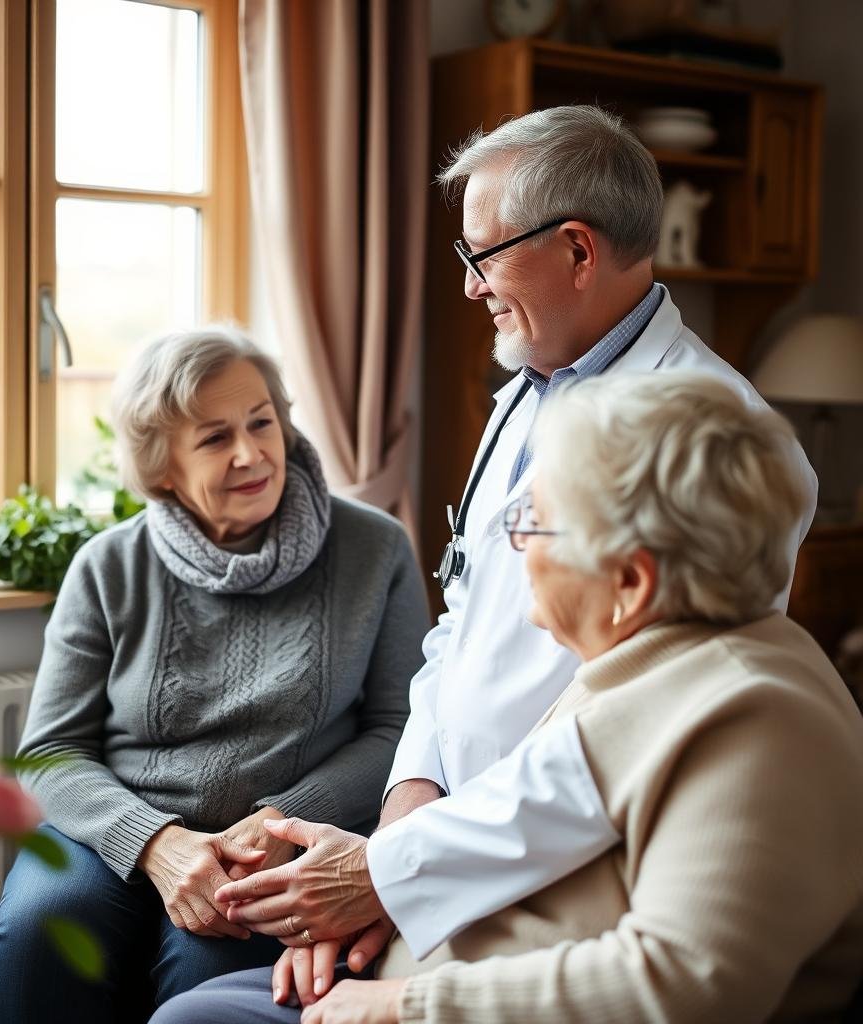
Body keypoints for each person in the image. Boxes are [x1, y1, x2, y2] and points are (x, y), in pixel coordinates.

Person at [158, 104, 820, 1000]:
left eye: (483, 254)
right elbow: (459, 625)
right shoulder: (526, 390)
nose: (469, 285)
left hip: (546, 885)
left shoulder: (724, 437)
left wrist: (394, 879)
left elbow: (639, 733)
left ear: (577, 251)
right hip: (438, 853)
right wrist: (403, 823)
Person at [154, 372, 863, 1023]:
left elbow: (681, 982)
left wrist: (406, 1003)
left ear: (630, 583)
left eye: (535, 524)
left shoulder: (760, 722)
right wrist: (379, 885)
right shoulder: (645, 667)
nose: (514, 548)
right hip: (429, 960)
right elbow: (515, 818)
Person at [0, 326, 429, 1023]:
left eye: (262, 423)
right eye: (215, 438)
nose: (252, 453)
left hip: (280, 843)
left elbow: (400, 728)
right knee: (39, 936)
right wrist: (156, 844)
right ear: (162, 466)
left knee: (205, 978)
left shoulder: (376, 547)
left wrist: (281, 819)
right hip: (115, 832)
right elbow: (48, 752)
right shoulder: (109, 566)